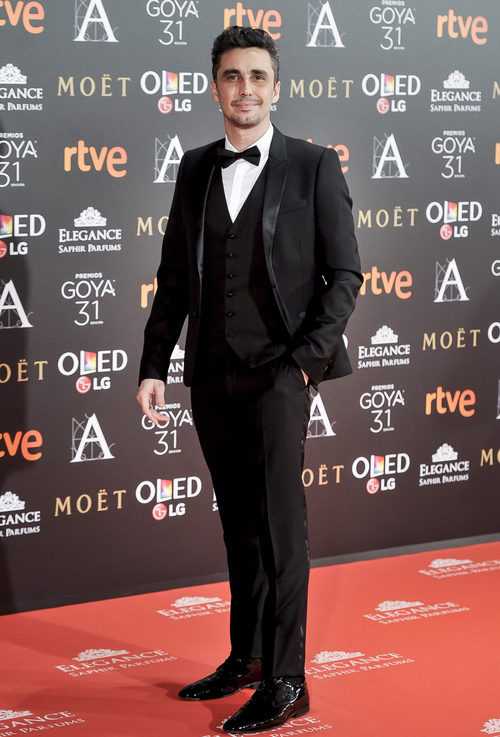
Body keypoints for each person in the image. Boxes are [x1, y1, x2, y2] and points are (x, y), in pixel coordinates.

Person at [137, 25, 362, 734]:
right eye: (232, 76)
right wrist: (154, 363)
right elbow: (175, 277)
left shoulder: (314, 165)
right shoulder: (194, 167)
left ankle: (288, 679)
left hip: (279, 377)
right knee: (239, 525)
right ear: (215, 88)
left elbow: (344, 275)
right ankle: (248, 656)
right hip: (211, 376)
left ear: (276, 87)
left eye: (257, 76)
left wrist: (303, 365)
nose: (245, 89)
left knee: (281, 529)